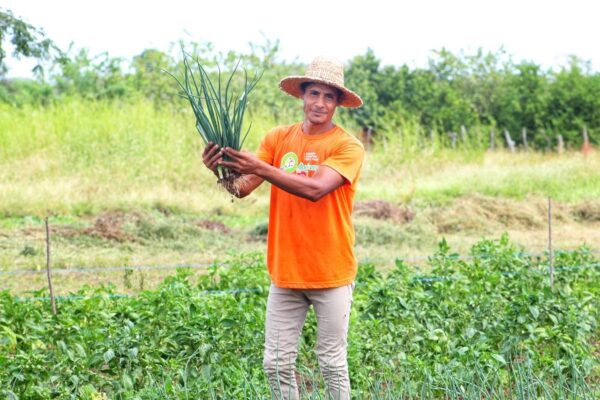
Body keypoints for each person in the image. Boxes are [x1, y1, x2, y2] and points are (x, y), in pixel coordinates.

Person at [202, 57, 364, 400]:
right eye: (314, 93)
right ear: (302, 96)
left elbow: (316, 189)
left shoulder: (347, 146)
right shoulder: (278, 138)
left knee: (331, 362)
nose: (320, 103)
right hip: (286, 271)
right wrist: (219, 170)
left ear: (337, 103)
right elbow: (242, 188)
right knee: (275, 364)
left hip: (331, 272)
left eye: (329, 97)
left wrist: (262, 166)